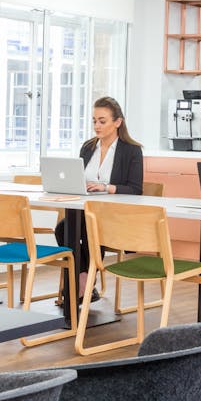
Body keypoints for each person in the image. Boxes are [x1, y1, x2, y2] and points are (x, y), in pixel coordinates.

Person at [55, 97, 144, 301]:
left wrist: (106, 187)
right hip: (87, 209)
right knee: (63, 228)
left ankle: (83, 283)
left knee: (90, 227)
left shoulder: (131, 150)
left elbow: (136, 189)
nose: (97, 126)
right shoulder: (88, 147)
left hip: (115, 215)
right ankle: (83, 276)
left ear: (118, 122)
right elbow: (78, 177)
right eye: (94, 121)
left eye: (102, 121)